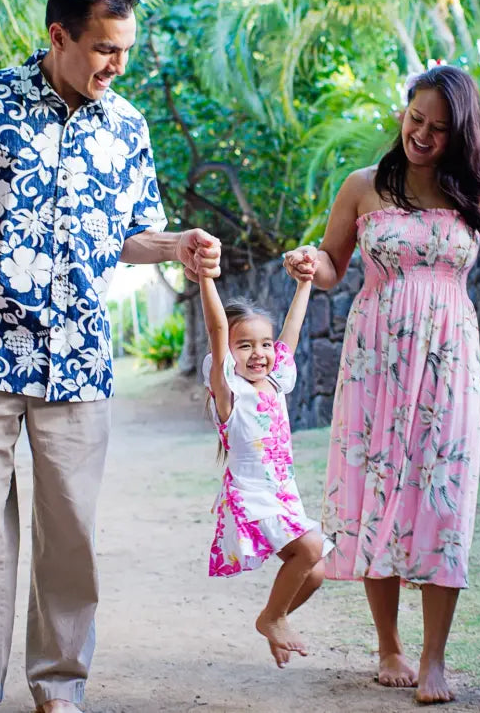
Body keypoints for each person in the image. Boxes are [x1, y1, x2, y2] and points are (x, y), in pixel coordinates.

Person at [0, 0, 221, 713]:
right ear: (59, 36)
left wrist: (177, 244)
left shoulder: (128, 126)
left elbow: (131, 234)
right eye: (106, 49)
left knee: (71, 528)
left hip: (77, 355)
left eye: (126, 50)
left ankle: (59, 685)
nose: (118, 65)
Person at [282, 65, 480, 704]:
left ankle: (434, 659)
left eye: (438, 128)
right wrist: (309, 261)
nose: (423, 135)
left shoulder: (477, 190)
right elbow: (332, 265)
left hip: (448, 359)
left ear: (459, 133)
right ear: (403, 113)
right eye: (416, 119)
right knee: (376, 489)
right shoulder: (363, 187)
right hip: (374, 358)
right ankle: (389, 645)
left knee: (443, 498)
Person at [197, 266, 331, 669]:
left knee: (316, 570)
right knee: (310, 547)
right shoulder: (229, 394)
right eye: (245, 346)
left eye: (265, 344)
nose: (259, 353)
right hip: (251, 494)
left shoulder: (275, 383)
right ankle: (271, 618)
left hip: (283, 494)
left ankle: (276, 619)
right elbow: (217, 328)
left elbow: (292, 331)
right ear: (226, 354)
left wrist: (304, 284)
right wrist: (205, 278)